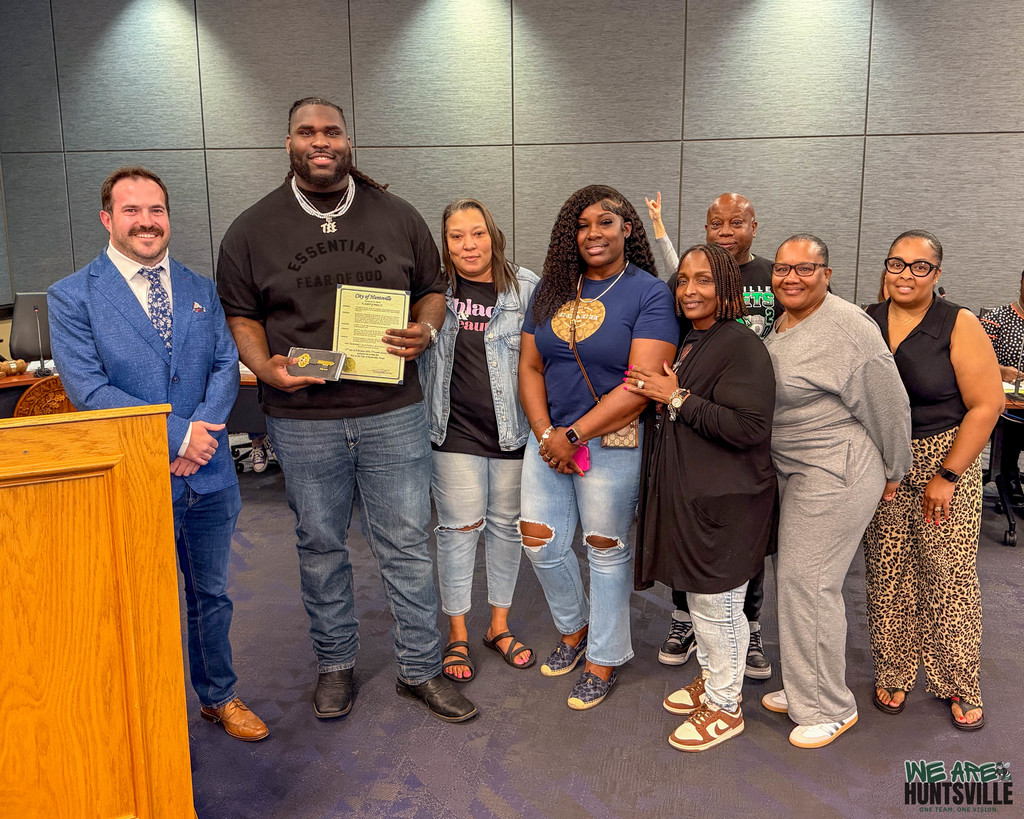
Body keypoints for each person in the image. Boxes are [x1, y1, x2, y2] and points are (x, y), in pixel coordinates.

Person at [216, 97, 476, 723]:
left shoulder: (398, 215)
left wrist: (427, 329)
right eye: (307, 132)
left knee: (408, 545)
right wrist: (263, 365)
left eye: (331, 130)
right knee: (320, 545)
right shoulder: (252, 229)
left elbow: (434, 289)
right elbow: (242, 314)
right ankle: (335, 665)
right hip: (303, 421)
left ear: (348, 139)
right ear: (289, 144)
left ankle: (420, 669)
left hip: (392, 410)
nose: (320, 141)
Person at [48, 166, 268, 741]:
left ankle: (218, 697)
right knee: (140, 601)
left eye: (156, 210)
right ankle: (146, 708)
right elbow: (89, 389)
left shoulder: (199, 288)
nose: (146, 221)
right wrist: (178, 437)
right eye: (132, 210)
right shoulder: (72, 296)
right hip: (135, 475)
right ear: (107, 219)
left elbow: (226, 365)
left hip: (211, 475)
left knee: (211, 596)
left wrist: (204, 434)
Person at [519, 184, 677, 710]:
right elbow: (529, 365)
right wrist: (546, 434)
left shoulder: (648, 292)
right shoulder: (551, 289)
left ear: (628, 229)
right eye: (582, 225)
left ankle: (604, 657)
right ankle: (575, 625)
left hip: (612, 439)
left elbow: (641, 381)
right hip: (548, 440)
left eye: (605, 223)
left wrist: (573, 434)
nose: (593, 233)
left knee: (605, 550)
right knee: (539, 543)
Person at [761, 234, 912, 748]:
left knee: (811, 580)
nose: (792, 278)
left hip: (837, 470)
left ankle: (829, 705)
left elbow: (890, 405)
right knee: (797, 578)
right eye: (783, 269)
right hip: (793, 467)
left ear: (827, 273)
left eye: (806, 269)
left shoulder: (848, 327)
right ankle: (807, 683)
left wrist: (896, 470)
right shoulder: (780, 321)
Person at [630, 243, 777, 752]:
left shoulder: (740, 343)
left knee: (718, 606)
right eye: (684, 280)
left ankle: (726, 706)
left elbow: (750, 427)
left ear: (727, 289)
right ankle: (716, 680)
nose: (690, 290)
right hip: (699, 495)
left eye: (704, 281)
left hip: (730, 500)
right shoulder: (696, 339)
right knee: (704, 603)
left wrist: (674, 397)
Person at [864, 231, 1003, 731]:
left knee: (948, 575)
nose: (906, 274)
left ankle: (959, 680)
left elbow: (989, 404)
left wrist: (947, 475)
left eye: (919, 267)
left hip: (945, 458)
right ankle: (895, 669)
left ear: (937, 274)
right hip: (881, 463)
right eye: (897, 264)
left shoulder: (957, 322)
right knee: (888, 570)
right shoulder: (866, 320)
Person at [419, 199, 539, 681]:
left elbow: (544, 360)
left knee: (507, 529)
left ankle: (498, 626)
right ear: (444, 242)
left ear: (494, 235)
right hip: (452, 432)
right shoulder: (432, 292)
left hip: (512, 433)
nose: (468, 245)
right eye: (456, 236)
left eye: (477, 233)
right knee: (458, 531)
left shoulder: (526, 288)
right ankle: (458, 635)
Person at [979, 270, 1024, 502]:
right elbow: (973, 359)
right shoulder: (997, 318)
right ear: (1021, 283)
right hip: (1004, 402)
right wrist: (1000, 370)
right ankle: (1009, 473)